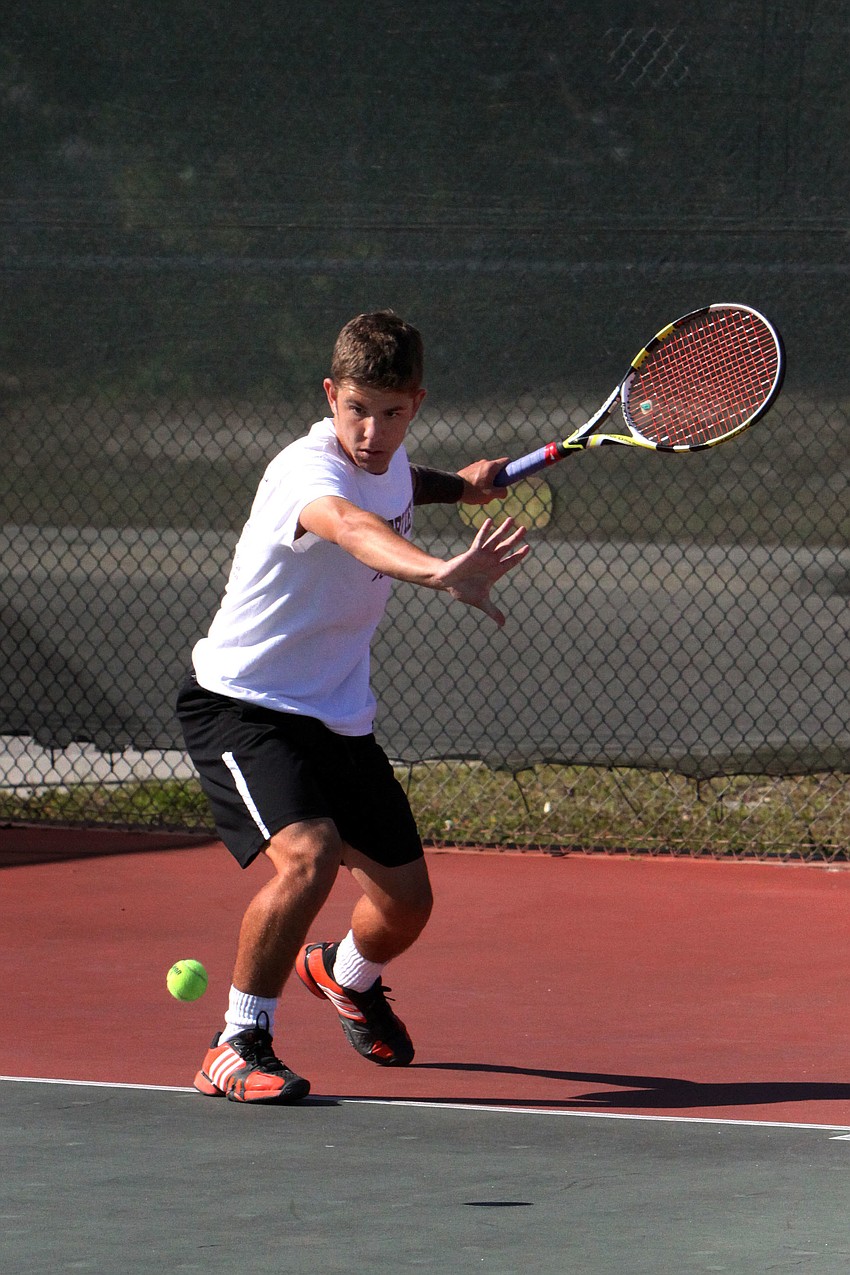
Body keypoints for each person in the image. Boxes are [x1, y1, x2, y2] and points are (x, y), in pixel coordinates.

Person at [176, 310, 529, 1104]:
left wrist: (461, 486)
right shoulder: (305, 472)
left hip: (337, 713)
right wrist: (437, 570)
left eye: (393, 413)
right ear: (330, 394)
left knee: (407, 903)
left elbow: (399, 484)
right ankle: (235, 1042)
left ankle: (341, 974)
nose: (372, 431)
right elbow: (353, 524)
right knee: (310, 856)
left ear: (416, 404)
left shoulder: (388, 459)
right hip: (246, 703)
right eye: (356, 410)